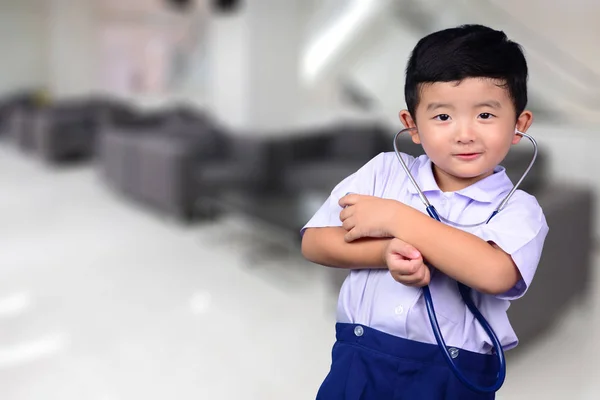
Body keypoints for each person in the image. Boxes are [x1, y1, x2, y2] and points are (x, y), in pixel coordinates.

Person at [301, 24, 549, 400]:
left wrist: (398, 219)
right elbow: (315, 242)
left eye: (485, 115)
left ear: (519, 125)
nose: (464, 133)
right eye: (442, 117)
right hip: (358, 360)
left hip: (452, 375)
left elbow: (496, 272)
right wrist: (383, 254)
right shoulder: (384, 171)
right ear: (412, 126)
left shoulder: (519, 209)